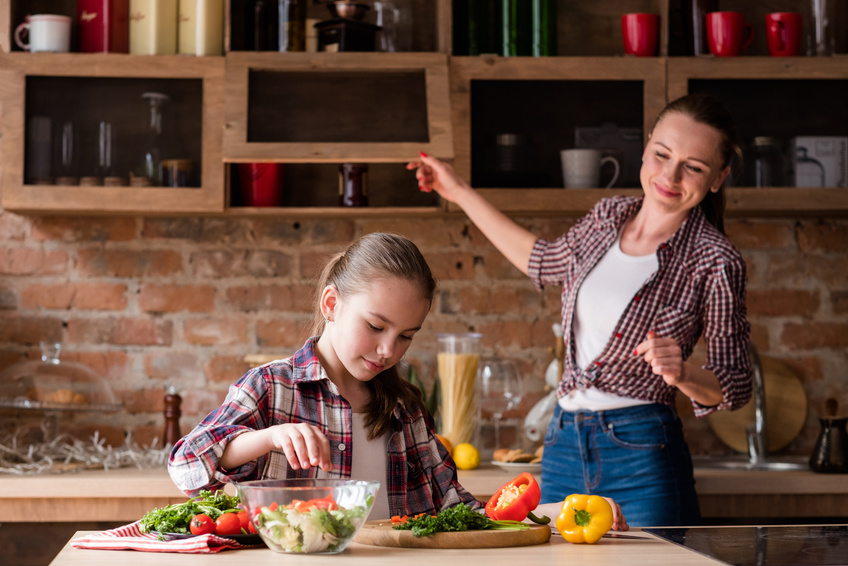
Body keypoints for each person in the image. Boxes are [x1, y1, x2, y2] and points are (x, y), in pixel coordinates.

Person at [408, 93, 753, 527]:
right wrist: (455, 190)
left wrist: (683, 374)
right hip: (564, 442)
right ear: (646, 147)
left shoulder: (715, 260)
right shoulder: (608, 216)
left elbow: (735, 385)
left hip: (643, 452)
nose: (670, 174)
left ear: (718, 178)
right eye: (662, 154)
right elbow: (541, 259)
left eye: (694, 166)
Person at [168, 232, 627, 529]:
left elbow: (456, 508)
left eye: (406, 335)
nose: (389, 350)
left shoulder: (403, 408)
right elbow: (185, 465)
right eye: (375, 326)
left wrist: (545, 512)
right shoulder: (272, 386)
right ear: (332, 305)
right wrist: (268, 437)